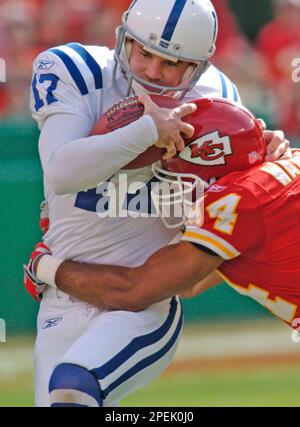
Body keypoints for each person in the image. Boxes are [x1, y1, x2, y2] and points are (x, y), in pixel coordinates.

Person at [26, 0, 290, 407]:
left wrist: (258, 156)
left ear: (198, 66)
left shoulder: (217, 98)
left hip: (143, 302)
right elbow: (62, 172)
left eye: (171, 63)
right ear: (123, 38)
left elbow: (229, 228)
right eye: (144, 52)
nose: (151, 70)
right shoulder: (77, 70)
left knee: (72, 389)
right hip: (66, 294)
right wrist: (150, 131)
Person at [26, 98, 300, 333]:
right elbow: (187, 283)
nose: (174, 190)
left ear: (214, 170)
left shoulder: (240, 200)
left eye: (179, 180)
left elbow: (132, 291)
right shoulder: (283, 167)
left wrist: (45, 266)